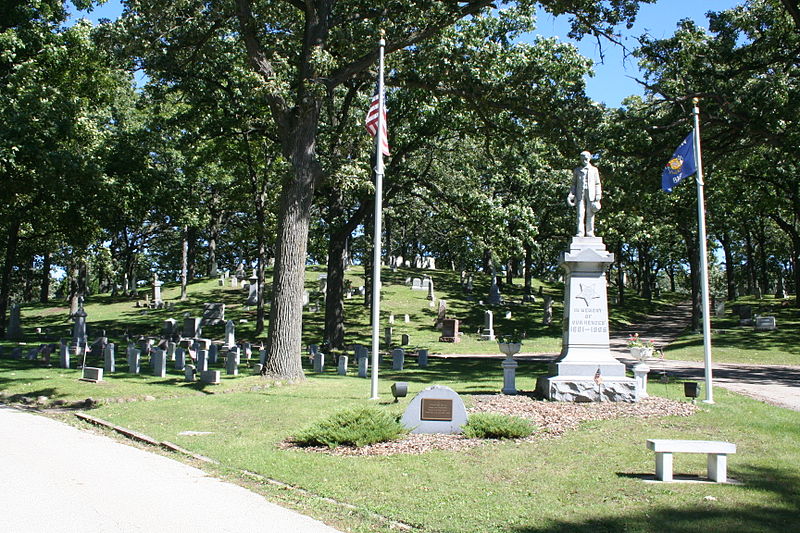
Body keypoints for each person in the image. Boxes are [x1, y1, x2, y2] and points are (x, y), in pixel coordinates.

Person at [567, 150, 602, 237]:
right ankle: (580, 232)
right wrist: (571, 194)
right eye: (582, 158)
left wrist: (598, 196)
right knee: (580, 214)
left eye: (586, 158)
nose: (584, 160)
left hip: (591, 195)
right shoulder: (577, 170)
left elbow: (597, 184)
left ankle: (590, 232)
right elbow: (574, 184)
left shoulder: (594, 170)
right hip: (580, 195)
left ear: (589, 158)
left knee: (590, 214)